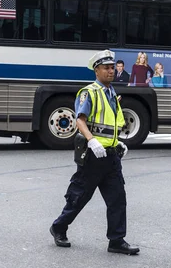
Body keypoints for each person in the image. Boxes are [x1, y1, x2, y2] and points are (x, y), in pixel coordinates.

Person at [50, 49, 139, 255]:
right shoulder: (89, 92)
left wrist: (119, 143)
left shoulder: (112, 93)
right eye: (106, 68)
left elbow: (111, 125)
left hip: (111, 155)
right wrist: (91, 141)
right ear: (96, 70)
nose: (111, 71)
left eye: (112, 67)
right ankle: (59, 227)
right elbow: (80, 120)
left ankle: (116, 240)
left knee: (117, 198)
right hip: (93, 156)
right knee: (80, 196)